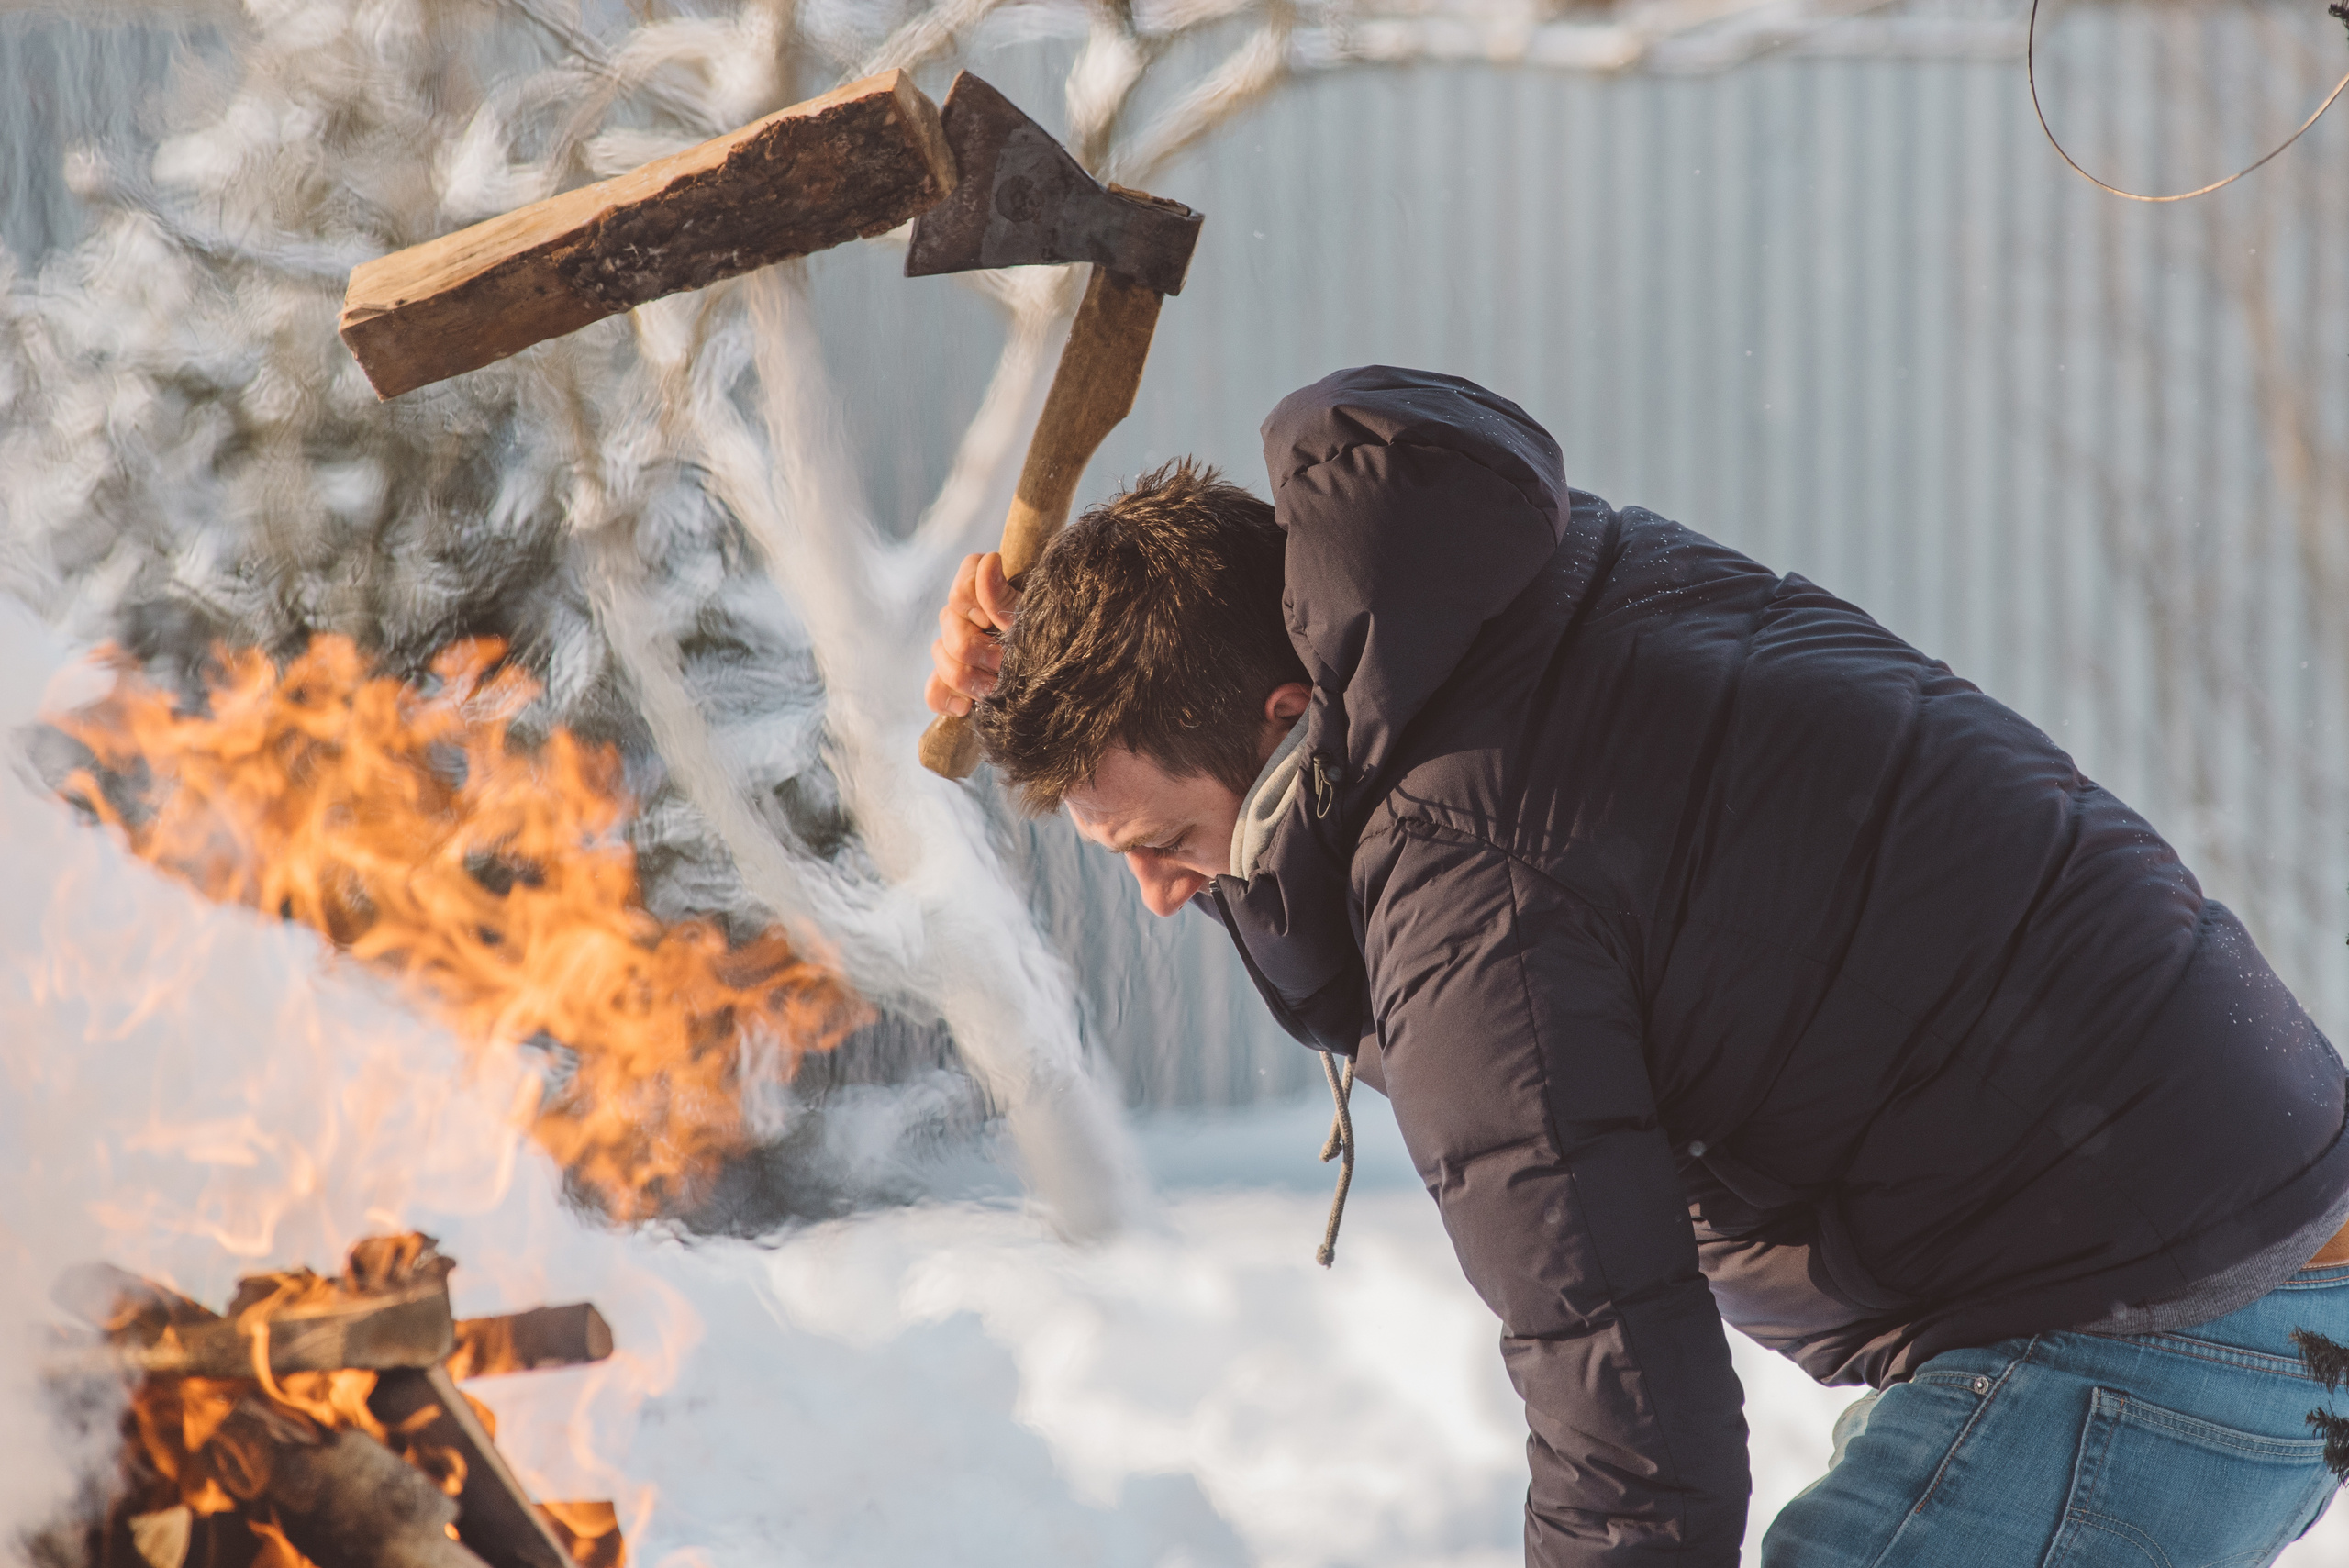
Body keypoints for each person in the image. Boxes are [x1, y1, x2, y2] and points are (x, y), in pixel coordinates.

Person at [923, 364, 2349, 1566]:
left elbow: (1630, 1436)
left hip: (2165, 1312)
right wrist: (1061, 663)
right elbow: (1293, 834)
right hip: (2239, 1233)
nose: (1166, 898)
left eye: (1163, 838)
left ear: (1289, 718)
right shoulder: (1491, 615)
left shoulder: (1469, 886)